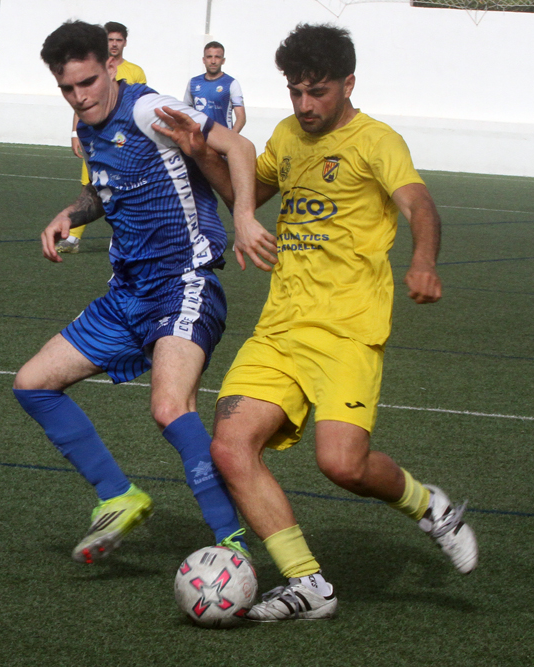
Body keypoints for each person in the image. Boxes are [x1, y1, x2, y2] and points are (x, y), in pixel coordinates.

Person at [160, 23, 478, 622]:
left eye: (318, 91)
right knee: (230, 447)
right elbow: (245, 194)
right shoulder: (286, 135)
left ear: (348, 84)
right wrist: (202, 153)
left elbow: (419, 203)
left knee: (342, 465)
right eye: (295, 91)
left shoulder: (377, 141)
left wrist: (424, 261)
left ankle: (428, 505)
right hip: (281, 327)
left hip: (348, 330)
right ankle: (308, 583)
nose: (304, 105)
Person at [13, 20, 276, 565]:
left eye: (88, 82)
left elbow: (239, 146)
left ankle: (232, 543)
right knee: (33, 384)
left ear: (111, 66)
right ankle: (118, 496)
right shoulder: (91, 129)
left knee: (169, 407)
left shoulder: (147, 108)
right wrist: (71, 213)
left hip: (184, 284)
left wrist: (244, 217)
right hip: (128, 294)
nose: (79, 97)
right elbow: (104, 190)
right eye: (67, 88)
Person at [57, 21, 147, 255]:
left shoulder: (135, 71)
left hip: (123, 140)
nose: (114, 44)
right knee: (90, 184)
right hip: (95, 138)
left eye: (118, 40)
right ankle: (73, 238)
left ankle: (127, 236)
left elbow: (139, 105)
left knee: (127, 187)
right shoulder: (92, 68)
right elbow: (81, 102)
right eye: (110, 40)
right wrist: (75, 133)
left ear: (125, 43)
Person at [184, 41, 245, 133]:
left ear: (223, 61)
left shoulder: (231, 83)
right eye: (209, 57)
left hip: (222, 138)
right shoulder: (193, 82)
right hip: (199, 138)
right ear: (203, 60)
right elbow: (185, 112)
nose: (213, 61)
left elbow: (241, 118)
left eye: (217, 57)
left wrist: (230, 138)